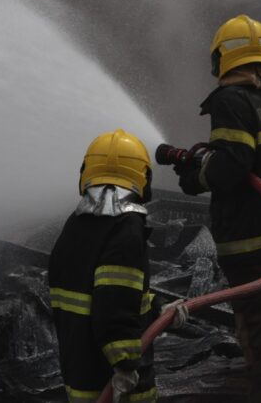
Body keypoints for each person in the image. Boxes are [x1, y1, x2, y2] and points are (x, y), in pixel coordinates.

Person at [175, 14, 261, 403]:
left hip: (249, 240)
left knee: (258, 337)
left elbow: (233, 166)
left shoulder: (231, 100)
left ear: (223, 58)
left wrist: (197, 177)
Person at [49, 129, 157, 403]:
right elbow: (114, 305)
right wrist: (124, 365)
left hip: (79, 369)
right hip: (112, 381)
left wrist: (158, 309)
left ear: (86, 170)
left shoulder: (76, 222)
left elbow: (92, 292)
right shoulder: (127, 229)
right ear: (142, 176)